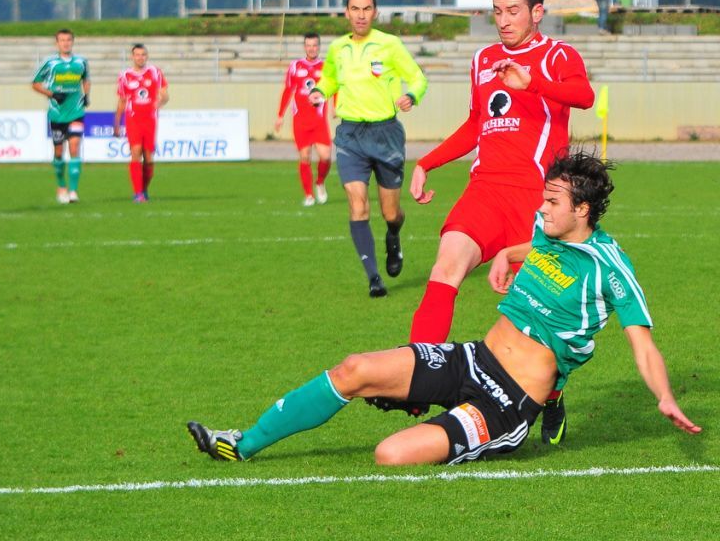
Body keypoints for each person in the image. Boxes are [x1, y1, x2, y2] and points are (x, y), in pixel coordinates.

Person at [187, 152, 700, 466]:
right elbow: (538, 248)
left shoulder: (611, 268)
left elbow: (643, 343)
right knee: (354, 369)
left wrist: (664, 397)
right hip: (474, 358)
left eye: (551, 202)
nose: (540, 208)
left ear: (582, 210)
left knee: (390, 454)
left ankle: (545, 399)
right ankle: (241, 444)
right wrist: (506, 253)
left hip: (507, 403)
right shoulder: (547, 230)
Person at [407, 0, 595, 440]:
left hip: (537, 199)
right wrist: (428, 162)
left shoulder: (557, 56)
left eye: (513, 11)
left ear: (537, 12)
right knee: (446, 267)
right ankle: (417, 378)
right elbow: (476, 123)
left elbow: (584, 96)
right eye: (497, 11)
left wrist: (533, 83)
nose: (504, 20)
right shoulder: (483, 60)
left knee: (538, 316)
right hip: (485, 191)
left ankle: (552, 395)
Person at [308, 0, 428, 298]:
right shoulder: (338, 48)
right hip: (350, 135)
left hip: (385, 134)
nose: (360, 15)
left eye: (366, 9)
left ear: (374, 12)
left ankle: (393, 235)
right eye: (355, 9)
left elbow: (418, 77)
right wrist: (320, 91)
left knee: (391, 212)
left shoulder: (390, 45)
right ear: (346, 13)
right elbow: (329, 78)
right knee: (357, 204)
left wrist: (412, 95)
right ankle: (374, 277)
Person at [32, 28, 91, 204]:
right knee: (58, 152)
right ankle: (61, 185)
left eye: (68, 40)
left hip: (76, 111)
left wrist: (86, 95)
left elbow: (86, 79)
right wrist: (51, 94)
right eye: (62, 40)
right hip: (57, 114)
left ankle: (73, 191)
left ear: (73, 42)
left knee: (74, 147)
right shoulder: (50, 63)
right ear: (57, 43)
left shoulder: (81, 62)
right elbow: (35, 83)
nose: (66, 43)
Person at [274, 33, 333, 207]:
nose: (311, 48)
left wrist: (336, 106)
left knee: (326, 157)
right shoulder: (295, 66)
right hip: (300, 121)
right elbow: (288, 90)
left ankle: (320, 182)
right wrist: (280, 115)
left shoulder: (326, 67)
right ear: (304, 47)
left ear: (319, 46)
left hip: (319, 121)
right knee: (305, 157)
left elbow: (335, 87)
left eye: (314, 45)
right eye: (308, 45)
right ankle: (309, 195)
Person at [114, 44, 169, 203]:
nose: (140, 57)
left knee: (149, 158)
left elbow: (165, 95)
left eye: (143, 54)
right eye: (137, 54)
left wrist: (159, 102)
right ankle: (138, 193)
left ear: (147, 56)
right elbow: (122, 100)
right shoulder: (125, 75)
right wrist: (116, 123)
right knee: (136, 152)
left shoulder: (155, 72)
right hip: (133, 118)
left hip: (150, 119)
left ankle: (143, 189)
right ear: (132, 57)